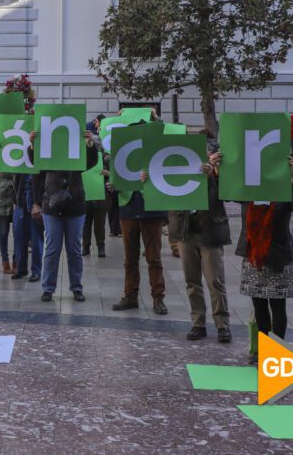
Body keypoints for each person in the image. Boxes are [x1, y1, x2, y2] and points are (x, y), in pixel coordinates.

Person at [237, 155, 293, 358]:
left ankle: (276, 353)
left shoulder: (283, 185)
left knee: (278, 305)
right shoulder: (247, 185)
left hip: (278, 254)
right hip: (253, 254)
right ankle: (262, 350)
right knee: (259, 304)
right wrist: (219, 170)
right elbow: (226, 193)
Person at [166, 144, 232, 343]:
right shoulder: (179, 172)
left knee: (215, 280)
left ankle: (222, 325)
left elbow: (226, 194)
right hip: (186, 231)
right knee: (192, 281)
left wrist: (212, 175)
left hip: (209, 232)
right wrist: (148, 180)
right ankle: (198, 323)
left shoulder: (214, 171)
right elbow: (162, 190)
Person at [32, 130, 99, 302]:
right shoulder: (48, 152)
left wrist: (90, 144)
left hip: (75, 205)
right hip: (52, 207)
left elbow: (91, 162)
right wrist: (33, 145)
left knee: (74, 249)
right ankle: (48, 288)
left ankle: (76, 287)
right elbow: (36, 165)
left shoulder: (76, 151)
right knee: (52, 249)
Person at [112, 183, 169, 315]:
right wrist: (111, 186)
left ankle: (158, 297)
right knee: (130, 258)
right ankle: (130, 295)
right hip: (128, 206)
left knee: (154, 257)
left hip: (152, 206)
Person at [11, 173, 42, 281]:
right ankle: (21, 269)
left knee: (36, 238)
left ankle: (36, 271)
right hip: (20, 200)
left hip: (37, 202)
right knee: (19, 236)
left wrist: (39, 202)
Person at [82, 151, 109, 258]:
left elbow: (117, 175)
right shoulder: (82, 157)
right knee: (85, 224)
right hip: (85, 196)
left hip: (101, 196)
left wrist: (109, 174)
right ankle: (85, 246)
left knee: (99, 225)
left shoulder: (106, 159)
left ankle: (101, 247)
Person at [0, 166, 15, 274]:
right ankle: (5, 261)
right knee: (4, 231)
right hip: (3, 193)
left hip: (18, 188)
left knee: (18, 232)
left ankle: (16, 260)